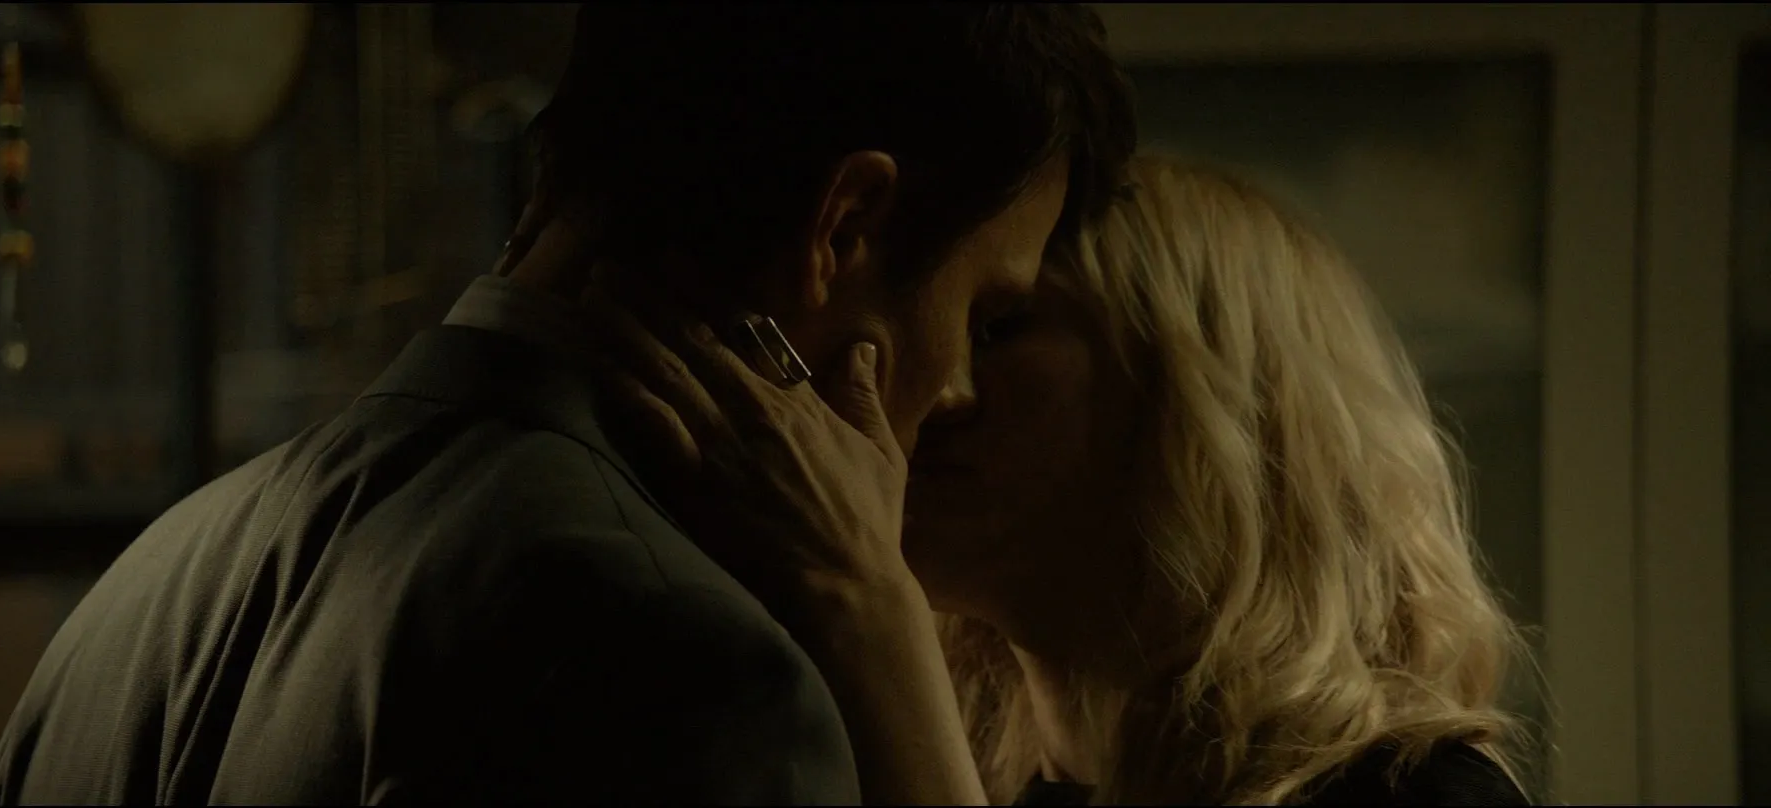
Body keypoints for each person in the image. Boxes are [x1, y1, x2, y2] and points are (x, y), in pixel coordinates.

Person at [0, 4, 1136, 806]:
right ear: (845, 227)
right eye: (981, 312)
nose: (961, 386)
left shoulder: (134, 600)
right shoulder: (687, 663)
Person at [624, 154, 1536, 806]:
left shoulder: (1419, 796)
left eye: (997, 331)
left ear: (1197, 399)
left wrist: (867, 611)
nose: (937, 391)